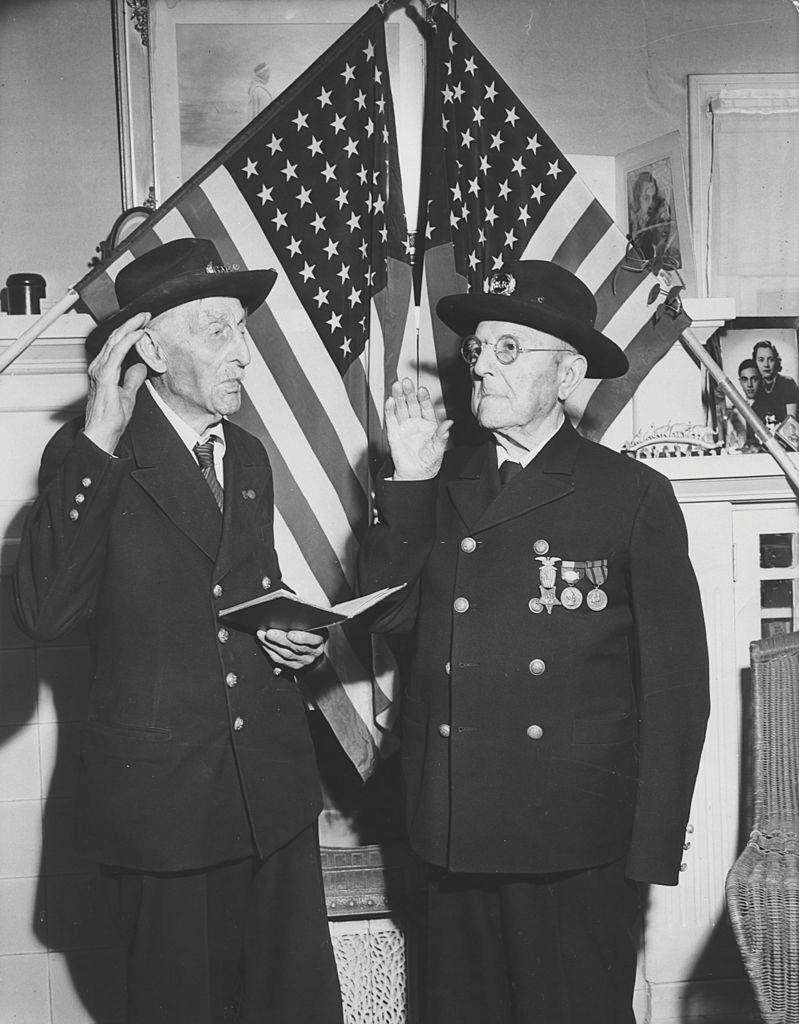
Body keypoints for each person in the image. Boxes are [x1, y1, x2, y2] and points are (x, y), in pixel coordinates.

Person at [357, 260, 710, 1024]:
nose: (481, 363)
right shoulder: (436, 481)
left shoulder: (628, 495)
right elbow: (384, 620)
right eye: (479, 349)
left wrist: (646, 853)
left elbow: (677, 693)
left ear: (569, 372)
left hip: (573, 842)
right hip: (453, 832)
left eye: (508, 349)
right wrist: (409, 481)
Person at [14, 238, 343, 1024]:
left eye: (243, 330)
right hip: (164, 812)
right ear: (151, 347)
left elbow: (228, 595)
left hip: (270, 794)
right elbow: (44, 610)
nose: (244, 355)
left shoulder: (251, 457)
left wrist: (292, 632)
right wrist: (98, 437)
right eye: (217, 330)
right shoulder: (90, 454)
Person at [751, 339, 799, 424]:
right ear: (755, 362)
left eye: (770, 359)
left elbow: (792, 424)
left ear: (776, 361)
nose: (766, 365)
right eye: (761, 360)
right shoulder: (757, 386)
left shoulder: (788, 383)